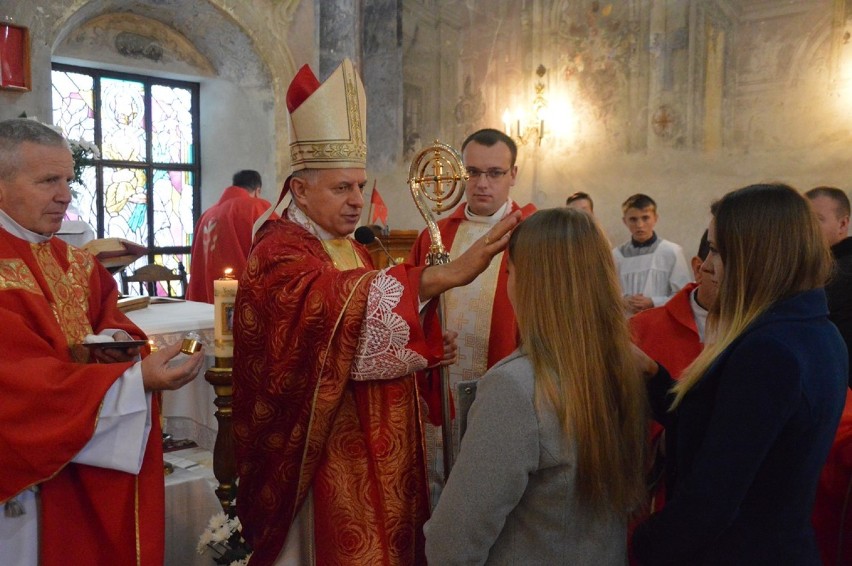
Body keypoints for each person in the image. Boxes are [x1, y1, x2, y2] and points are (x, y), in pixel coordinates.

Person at [232, 59, 520, 566]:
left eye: (361, 187)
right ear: (299, 189)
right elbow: (331, 310)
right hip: (323, 460)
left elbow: (365, 331)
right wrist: (446, 275)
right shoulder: (278, 251)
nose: (357, 202)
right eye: (342, 188)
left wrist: (424, 351)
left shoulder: (348, 247)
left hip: (373, 451)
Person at [0, 118, 204, 566]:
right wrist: (133, 383)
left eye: (68, 180)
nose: (65, 195)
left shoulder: (75, 262)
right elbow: (15, 383)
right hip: (25, 483)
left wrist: (116, 344)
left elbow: (111, 320)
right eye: (48, 181)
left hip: (82, 455)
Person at [632, 183, 848, 565]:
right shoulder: (816, 328)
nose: (707, 266)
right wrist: (651, 374)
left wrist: (641, 546)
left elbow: (714, 496)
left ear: (755, 258)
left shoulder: (769, 350)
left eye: (716, 250)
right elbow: (730, 427)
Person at [424, 208, 647, 565]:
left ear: (529, 282)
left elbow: (452, 544)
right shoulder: (623, 367)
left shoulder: (516, 387)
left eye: (509, 272)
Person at [408, 127, 536, 504]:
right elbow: (407, 307)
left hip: (503, 386)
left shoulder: (532, 235)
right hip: (440, 385)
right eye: (473, 172)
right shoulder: (434, 236)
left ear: (514, 174)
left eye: (495, 173)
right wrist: (427, 342)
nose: (482, 183)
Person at [186, 169, 270, 303]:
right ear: (257, 191)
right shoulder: (256, 206)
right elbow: (278, 247)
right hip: (243, 302)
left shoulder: (207, 215)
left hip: (207, 300)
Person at [613, 193, 691, 315]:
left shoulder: (672, 252)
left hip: (661, 322)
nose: (639, 225)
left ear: (655, 218)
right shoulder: (616, 256)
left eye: (645, 218)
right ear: (624, 221)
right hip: (627, 324)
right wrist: (623, 301)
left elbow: (684, 296)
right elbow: (608, 293)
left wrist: (653, 302)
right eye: (633, 219)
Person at [805, 186, 852, 388]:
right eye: (802, 221)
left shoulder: (843, 272)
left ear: (842, 224)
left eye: (816, 220)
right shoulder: (817, 269)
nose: (806, 229)